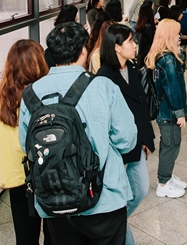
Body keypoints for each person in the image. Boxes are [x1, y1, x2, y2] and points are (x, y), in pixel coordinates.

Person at [19, 22, 137, 245]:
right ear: (84, 50)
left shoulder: (30, 94)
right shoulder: (103, 86)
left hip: (53, 199)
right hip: (104, 198)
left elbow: (25, 145)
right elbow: (127, 140)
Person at [97, 24, 156, 245]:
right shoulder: (104, 76)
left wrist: (146, 139)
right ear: (116, 47)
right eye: (130, 41)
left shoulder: (132, 68)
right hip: (116, 146)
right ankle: (117, 231)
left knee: (140, 189)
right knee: (118, 195)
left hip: (136, 141)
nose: (135, 45)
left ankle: (112, 225)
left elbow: (140, 108)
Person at [0, 40, 51, 245]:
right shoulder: (39, 94)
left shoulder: (2, 94)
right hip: (42, 171)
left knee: (25, 235)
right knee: (53, 229)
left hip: (16, 175)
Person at [145, 19, 187, 199]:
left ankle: (167, 176)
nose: (179, 37)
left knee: (170, 144)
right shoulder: (168, 60)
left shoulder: (162, 55)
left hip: (164, 110)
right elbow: (173, 89)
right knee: (171, 144)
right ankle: (163, 182)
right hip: (169, 112)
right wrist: (180, 112)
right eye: (177, 34)